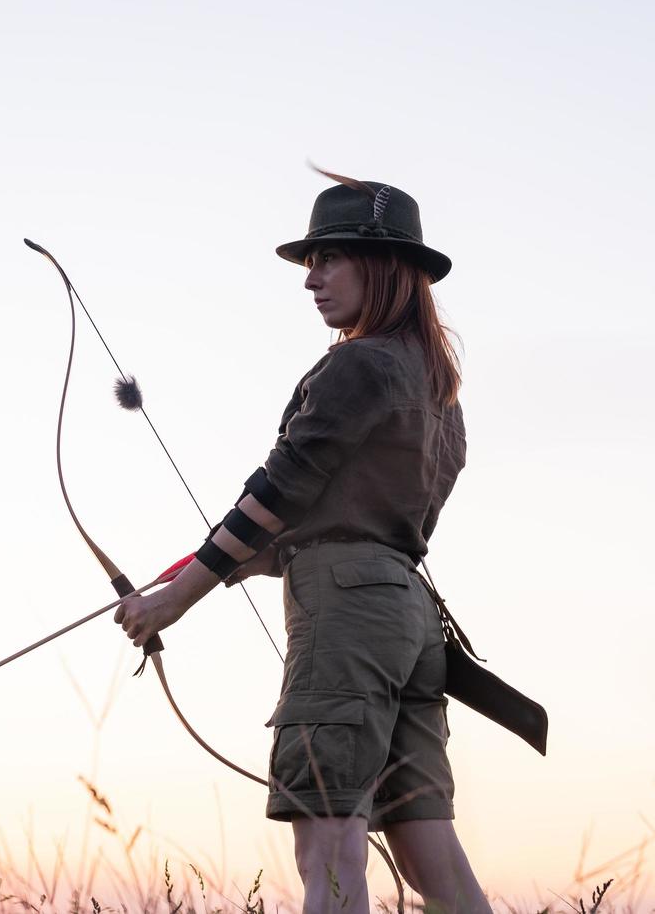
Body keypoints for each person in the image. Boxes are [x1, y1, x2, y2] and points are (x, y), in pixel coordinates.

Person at [116, 173, 489, 914]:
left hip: (350, 616)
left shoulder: (359, 362)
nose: (312, 279)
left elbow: (283, 489)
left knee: (326, 833)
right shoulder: (437, 387)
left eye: (331, 259)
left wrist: (174, 601)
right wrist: (227, 563)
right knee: (426, 843)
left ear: (381, 267)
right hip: (406, 616)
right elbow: (344, 519)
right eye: (310, 262)